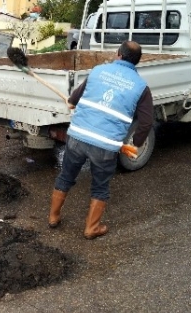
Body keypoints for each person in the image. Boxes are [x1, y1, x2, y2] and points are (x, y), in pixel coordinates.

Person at [48, 41, 154, 239]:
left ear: (118, 54)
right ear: (137, 62)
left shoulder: (97, 71)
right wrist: (135, 144)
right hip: (105, 145)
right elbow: (146, 122)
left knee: (66, 176)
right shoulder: (141, 87)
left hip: (77, 137)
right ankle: (91, 228)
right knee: (100, 186)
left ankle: (53, 217)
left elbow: (73, 99)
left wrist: (71, 103)